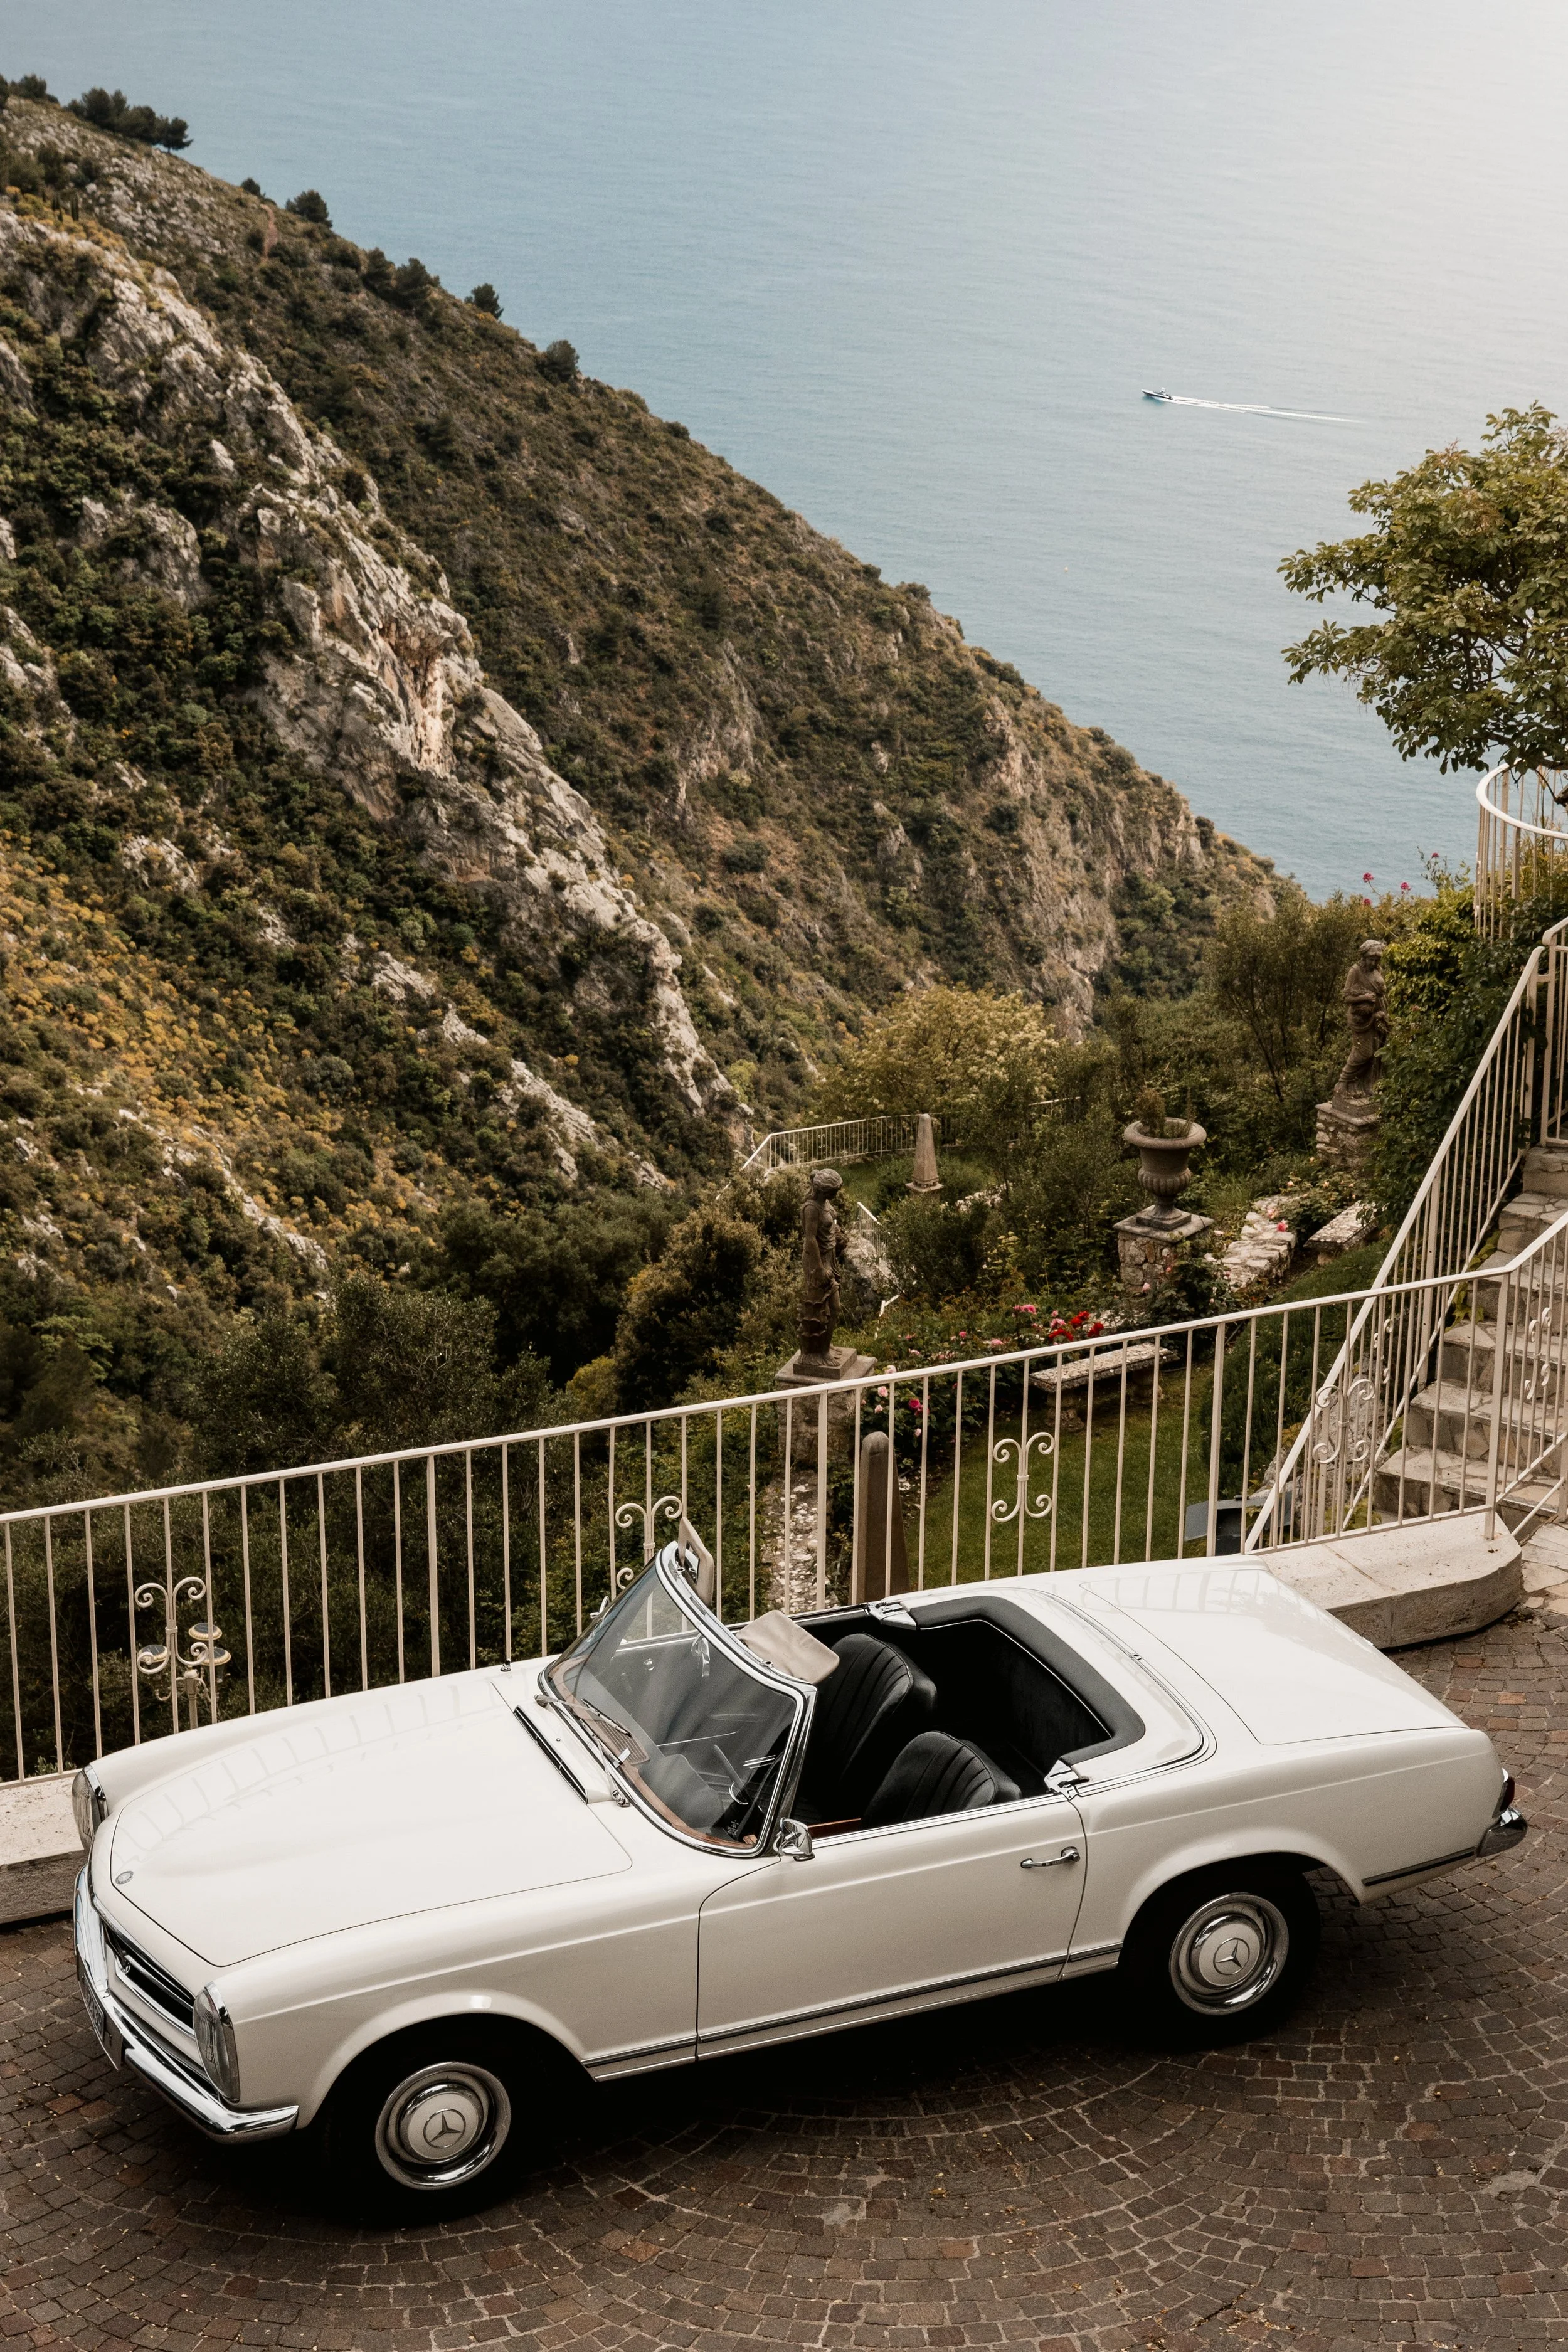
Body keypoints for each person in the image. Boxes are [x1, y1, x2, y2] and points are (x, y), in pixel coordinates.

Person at [797, 1168, 846, 1367]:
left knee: (827, 1308)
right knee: (829, 1307)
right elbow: (810, 1239)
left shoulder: (824, 1202)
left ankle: (824, 1345)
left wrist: (837, 1233)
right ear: (824, 1190)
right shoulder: (811, 1208)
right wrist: (819, 1268)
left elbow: (828, 1227)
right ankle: (816, 1352)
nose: (836, 1194)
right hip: (817, 1261)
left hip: (830, 1258)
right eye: (834, 1191)